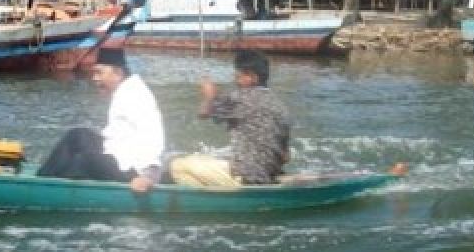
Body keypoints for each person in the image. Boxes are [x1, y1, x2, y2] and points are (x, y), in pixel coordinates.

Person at [37, 47, 164, 193]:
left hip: (132, 171)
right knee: (78, 135)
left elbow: (153, 136)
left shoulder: (137, 96)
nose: (94, 78)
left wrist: (149, 176)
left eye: (99, 73)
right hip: (116, 155)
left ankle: (48, 191)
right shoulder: (124, 90)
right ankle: (41, 179)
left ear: (118, 73)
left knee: (83, 161)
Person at [169, 50, 291, 187]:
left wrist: (209, 95)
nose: (235, 80)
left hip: (246, 177)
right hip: (269, 174)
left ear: (251, 77)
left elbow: (203, 113)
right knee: (205, 158)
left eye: (238, 76)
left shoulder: (240, 98)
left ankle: (214, 203)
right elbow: (285, 157)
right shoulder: (281, 107)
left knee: (177, 166)